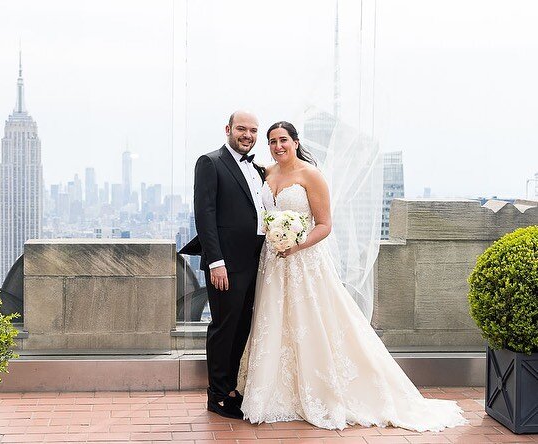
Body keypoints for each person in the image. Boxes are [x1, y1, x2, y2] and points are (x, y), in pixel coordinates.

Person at [240, 121, 467, 432]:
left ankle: (322, 391)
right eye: (272, 142)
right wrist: (275, 239)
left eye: (283, 140)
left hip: (304, 262)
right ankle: (276, 390)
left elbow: (324, 225)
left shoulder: (311, 175)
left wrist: (295, 245)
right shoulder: (268, 173)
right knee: (275, 321)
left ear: (295, 141)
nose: (278, 146)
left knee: (312, 323)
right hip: (273, 263)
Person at [179, 111, 265, 419]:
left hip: (258, 262)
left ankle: (231, 388)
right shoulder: (210, 162)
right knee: (223, 328)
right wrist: (216, 262)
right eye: (241, 128)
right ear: (228, 129)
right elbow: (205, 215)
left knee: (243, 327)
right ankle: (216, 395)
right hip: (226, 265)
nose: (247, 134)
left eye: (253, 130)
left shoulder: (257, 169)